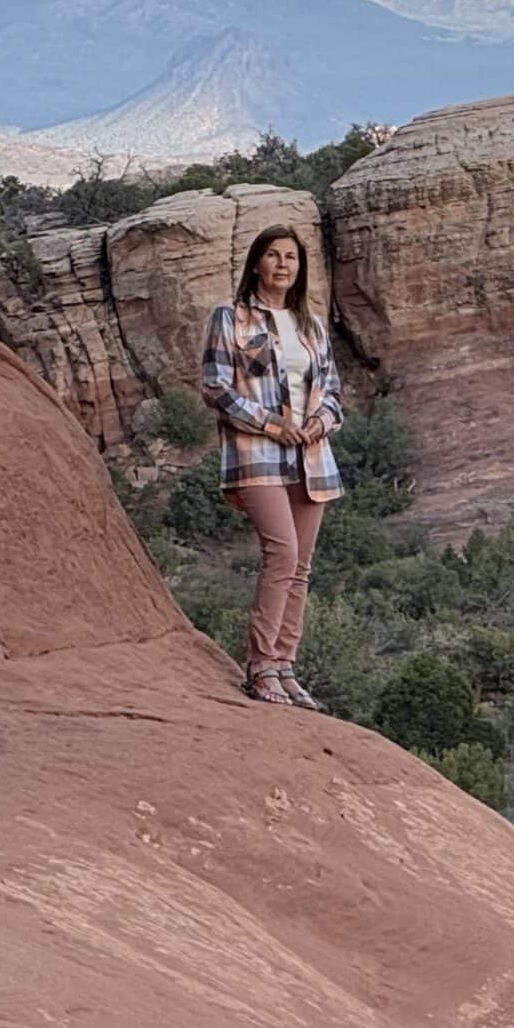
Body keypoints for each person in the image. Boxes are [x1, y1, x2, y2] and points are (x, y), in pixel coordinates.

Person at [199, 224, 344, 708]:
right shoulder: (232, 318)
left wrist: (319, 424)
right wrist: (272, 424)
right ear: (257, 264)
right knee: (281, 553)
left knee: (300, 566)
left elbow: (334, 394)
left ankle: (285, 667)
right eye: (274, 256)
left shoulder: (311, 325)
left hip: (312, 456)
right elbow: (216, 387)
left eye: (292, 258)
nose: (283, 265)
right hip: (256, 453)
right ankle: (260, 669)